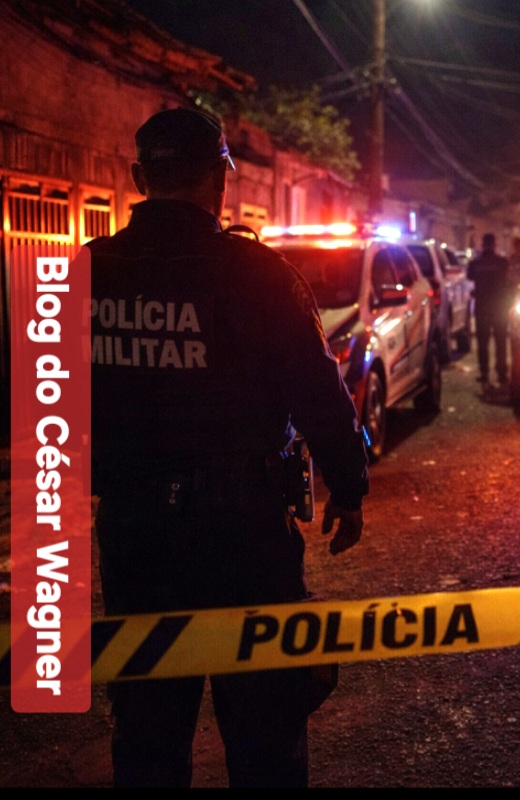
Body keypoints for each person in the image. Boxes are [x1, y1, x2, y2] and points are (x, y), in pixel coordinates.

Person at [87, 108, 369, 786]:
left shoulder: (84, 272)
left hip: (135, 537)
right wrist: (349, 485)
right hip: (244, 534)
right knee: (266, 736)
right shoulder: (260, 274)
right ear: (219, 179)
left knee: (148, 739)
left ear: (139, 179)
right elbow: (319, 393)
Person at [467, 232, 512, 386]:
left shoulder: (476, 263)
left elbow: (470, 277)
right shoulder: (502, 262)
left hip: (482, 307)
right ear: (495, 244)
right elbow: (508, 282)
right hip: (499, 307)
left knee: (483, 342)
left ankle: (484, 373)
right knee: (501, 341)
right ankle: (502, 374)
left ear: (482, 244)